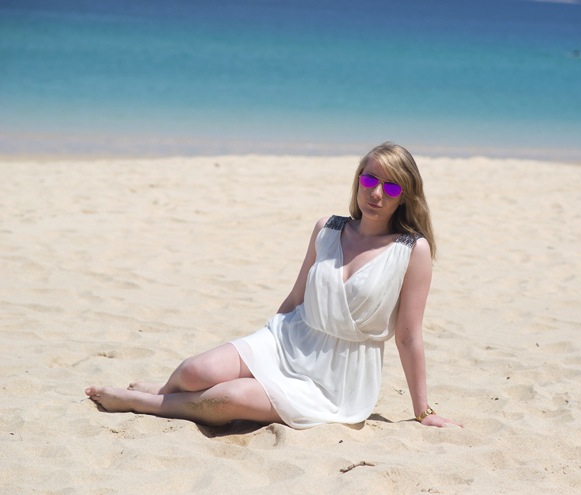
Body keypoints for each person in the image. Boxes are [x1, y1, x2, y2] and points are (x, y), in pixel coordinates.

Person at [86, 142, 461, 429]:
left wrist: (422, 410)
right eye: (369, 179)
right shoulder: (327, 229)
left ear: (405, 197)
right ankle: (166, 389)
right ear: (358, 182)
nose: (376, 193)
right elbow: (297, 297)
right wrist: (256, 352)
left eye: (391, 187)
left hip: (336, 378)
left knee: (225, 398)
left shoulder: (412, 250)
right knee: (194, 371)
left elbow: (409, 337)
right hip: (290, 338)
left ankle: (145, 403)